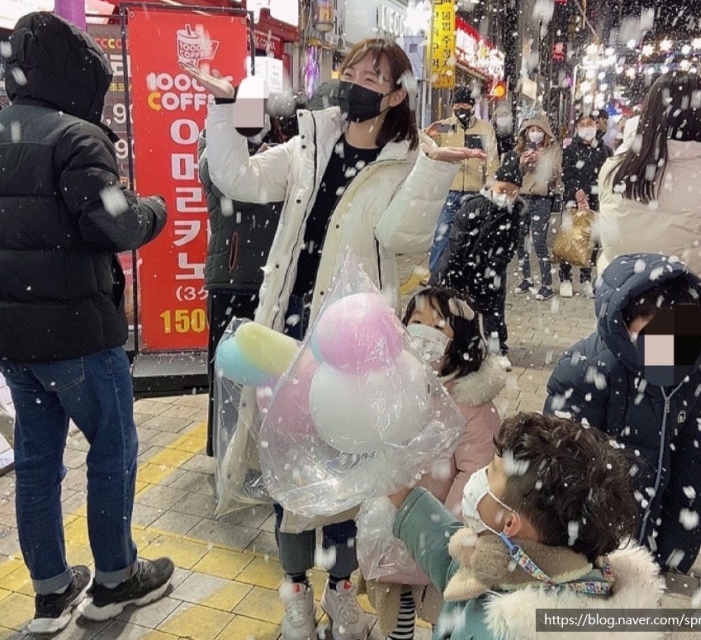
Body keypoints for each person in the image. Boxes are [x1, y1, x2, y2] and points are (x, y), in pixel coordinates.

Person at [183, 38, 485, 640]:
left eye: (373, 75)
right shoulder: (308, 143)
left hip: (354, 345)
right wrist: (228, 109)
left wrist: (435, 169)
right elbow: (239, 177)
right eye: (351, 70)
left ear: (397, 94)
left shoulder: (406, 160)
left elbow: (402, 237)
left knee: (350, 477)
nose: (356, 81)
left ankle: (341, 593)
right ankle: (296, 595)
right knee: (287, 469)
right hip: (285, 335)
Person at [0, 12, 174, 635]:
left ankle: (50, 594)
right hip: (79, 337)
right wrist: (155, 209)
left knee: (38, 462)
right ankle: (114, 579)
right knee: (113, 451)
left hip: (14, 342)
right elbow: (117, 223)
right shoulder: (77, 137)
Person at [387, 412, 664, 639]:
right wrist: (404, 495)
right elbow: (455, 568)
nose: (478, 479)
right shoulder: (536, 562)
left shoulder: (515, 630)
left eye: (490, 473)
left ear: (510, 522)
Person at [545, 253, 701, 574]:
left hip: (647, 542)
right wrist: (582, 551)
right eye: (652, 325)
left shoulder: (688, 378)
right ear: (624, 320)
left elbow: (692, 469)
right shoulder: (589, 368)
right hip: (592, 549)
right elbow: (561, 470)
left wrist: (675, 551)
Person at [361, 287, 504, 640]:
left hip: (433, 525)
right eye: (416, 322)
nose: (425, 332)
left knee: (435, 596)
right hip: (391, 515)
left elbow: (476, 472)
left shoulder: (470, 402)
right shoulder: (397, 384)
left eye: (439, 326)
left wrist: (435, 523)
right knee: (396, 601)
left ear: (460, 341)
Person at [597, 71, 701, 309]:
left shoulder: (616, 168)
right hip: (682, 305)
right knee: (662, 348)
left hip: (618, 298)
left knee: (618, 347)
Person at [199, 131, 281, 456]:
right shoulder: (214, 147)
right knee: (227, 373)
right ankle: (224, 449)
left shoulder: (279, 150)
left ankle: (260, 451)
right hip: (231, 280)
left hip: (272, 279)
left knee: (269, 373)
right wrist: (262, 161)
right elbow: (229, 183)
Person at [431, 152, 523, 370]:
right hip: (464, 268)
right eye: (502, 190)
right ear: (493, 185)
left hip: (493, 270)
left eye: (512, 191)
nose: (506, 195)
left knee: (494, 310)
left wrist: (497, 264)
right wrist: (447, 273)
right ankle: (458, 347)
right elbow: (456, 243)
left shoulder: (516, 211)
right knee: (460, 310)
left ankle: (497, 349)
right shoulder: (474, 206)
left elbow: (512, 243)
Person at [425, 86, 499, 276]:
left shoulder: (485, 128)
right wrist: (427, 132)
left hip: (475, 194)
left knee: (474, 238)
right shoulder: (445, 126)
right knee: (441, 236)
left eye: (465, 104)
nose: (460, 108)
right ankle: (435, 275)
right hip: (449, 191)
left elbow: (492, 161)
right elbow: (426, 147)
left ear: (472, 106)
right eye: (457, 104)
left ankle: (468, 275)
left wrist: (490, 187)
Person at [558, 114, 611, 299]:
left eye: (590, 123)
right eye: (583, 124)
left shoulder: (604, 151)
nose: (587, 127)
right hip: (572, 200)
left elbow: (605, 178)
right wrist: (577, 193)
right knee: (568, 238)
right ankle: (565, 277)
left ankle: (585, 278)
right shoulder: (570, 148)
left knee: (591, 241)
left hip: (594, 202)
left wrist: (587, 191)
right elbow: (566, 175)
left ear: (596, 125)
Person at [513, 113, 562, 300]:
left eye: (538, 130)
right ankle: (526, 278)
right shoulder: (521, 149)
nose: (535, 134)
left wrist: (542, 160)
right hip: (522, 198)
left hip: (542, 199)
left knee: (539, 241)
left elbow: (557, 173)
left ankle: (547, 284)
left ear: (545, 132)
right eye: (531, 130)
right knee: (520, 240)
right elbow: (511, 173)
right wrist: (521, 162)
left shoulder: (553, 149)